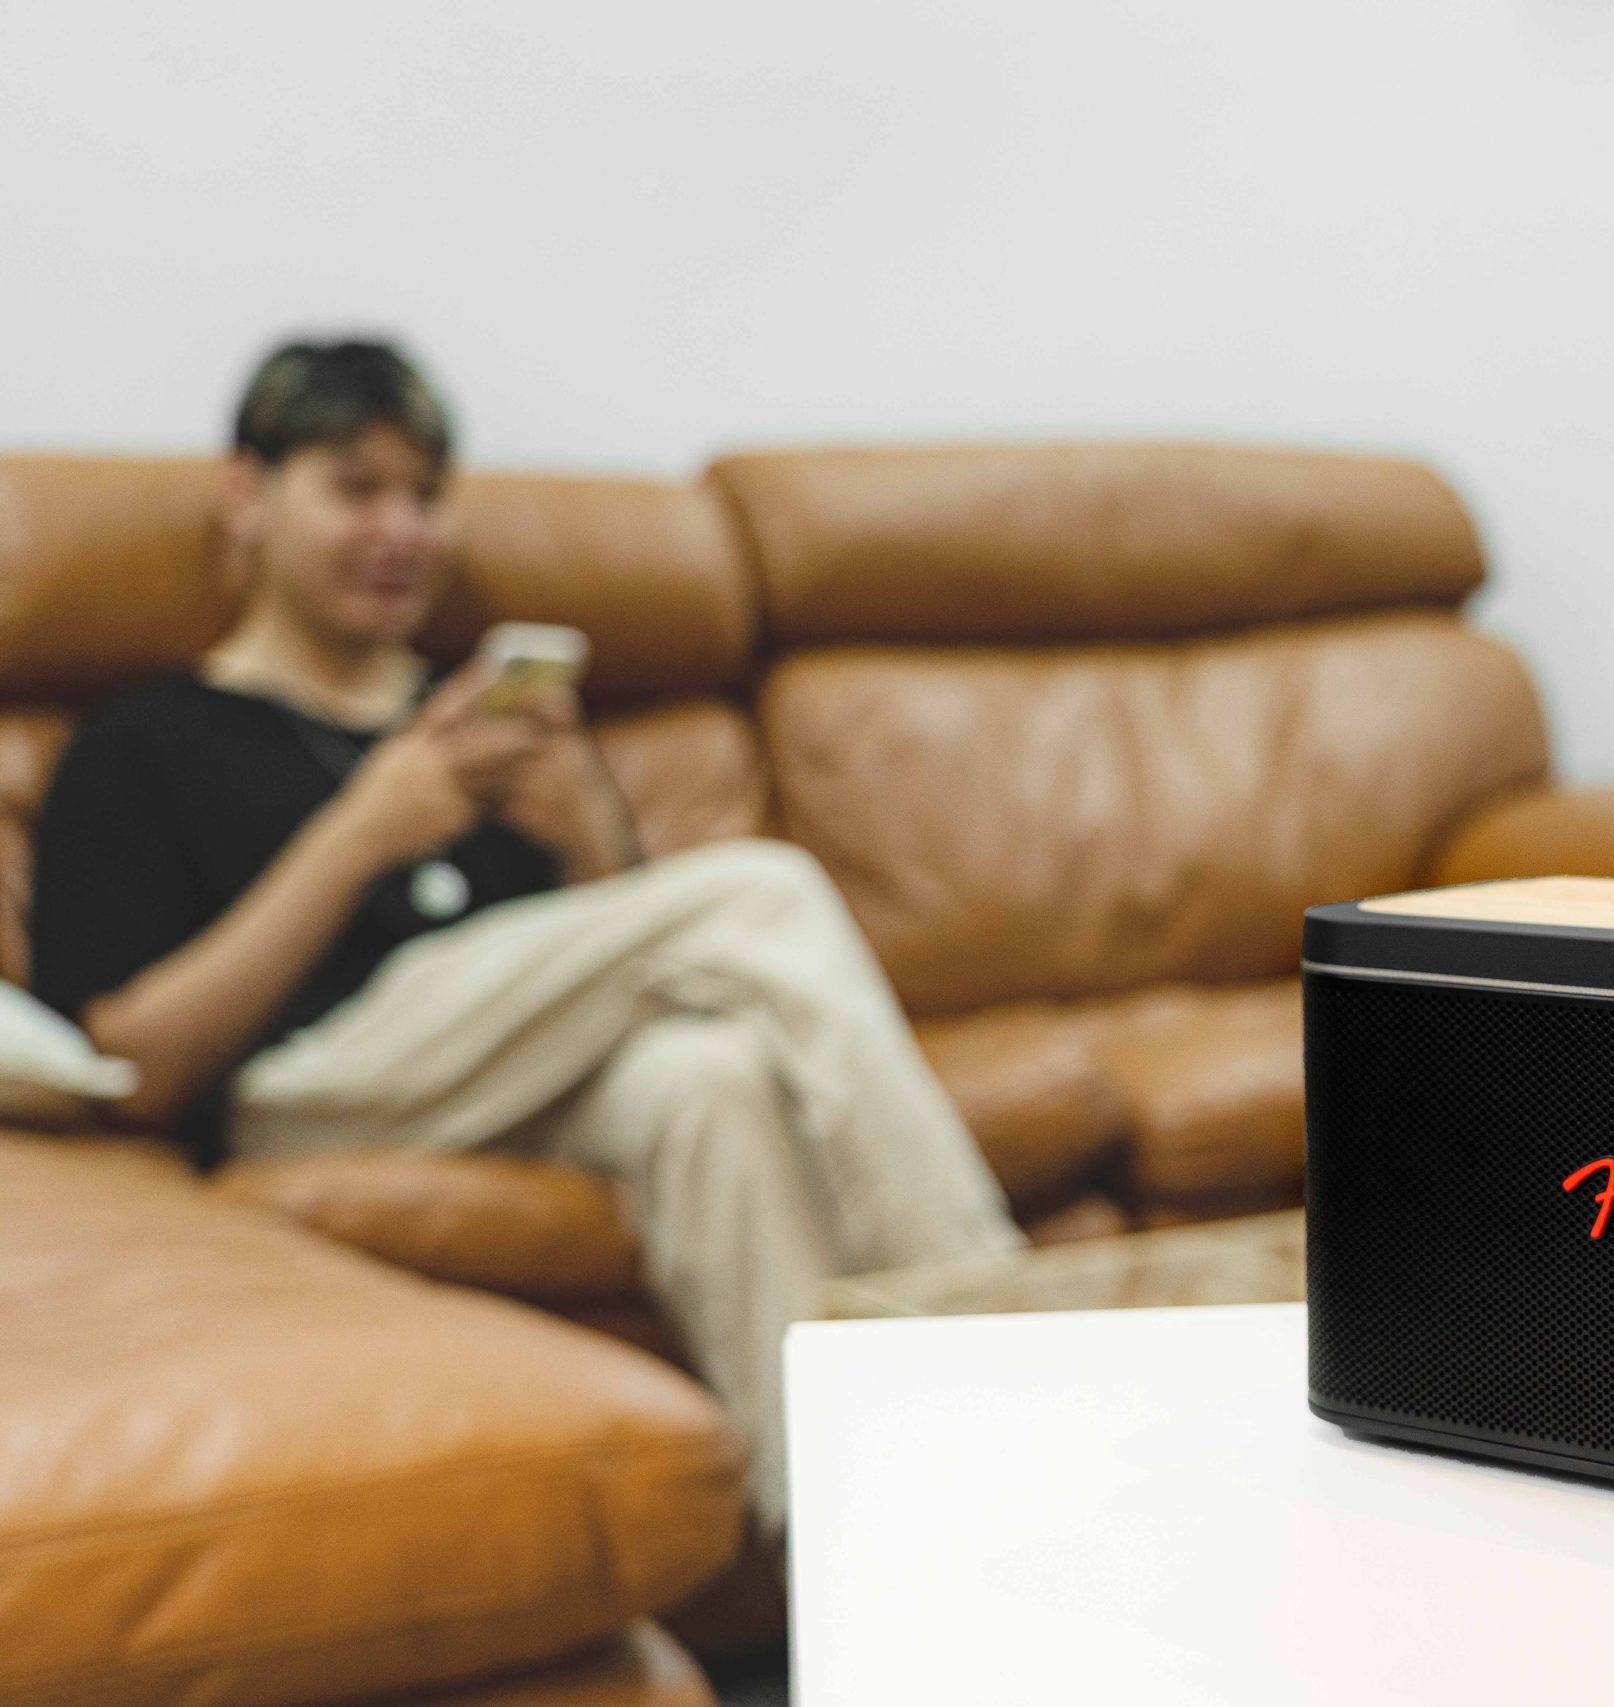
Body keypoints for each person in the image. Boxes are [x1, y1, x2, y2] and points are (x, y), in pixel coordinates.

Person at [28, 340, 1022, 1532]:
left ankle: (859, 1538)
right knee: (763, 893)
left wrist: (588, 828)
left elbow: (630, 970)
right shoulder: (144, 741)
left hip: (503, 1073)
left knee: (704, 1079)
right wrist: (357, 837)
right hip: (304, 1082)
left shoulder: (469, 723)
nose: (401, 531)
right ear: (246, 495)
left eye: (426, 496)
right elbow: (129, 1063)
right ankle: (1011, 1334)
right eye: (356, 489)